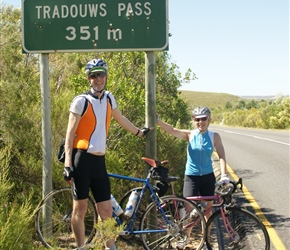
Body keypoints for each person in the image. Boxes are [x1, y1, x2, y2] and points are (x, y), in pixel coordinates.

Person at [63, 58, 149, 250]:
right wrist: (67, 164)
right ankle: (81, 247)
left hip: (99, 162)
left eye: (101, 74)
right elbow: (70, 134)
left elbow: (120, 118)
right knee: (81, 209)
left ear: (106, 76)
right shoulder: (80, 101)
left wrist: (139, 132)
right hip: (82, 160)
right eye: (94, 76)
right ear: (88, 79)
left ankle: (111, 247)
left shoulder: (109, 98)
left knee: (106, 210)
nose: (98, 79)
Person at [156, 106, 229, 249]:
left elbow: (221, 156)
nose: (200, 122)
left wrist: (224, 174)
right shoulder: (190, 134)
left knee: (208, 211)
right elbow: (172, 130)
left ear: (209, 120)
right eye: (197, 119)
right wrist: (158, 121)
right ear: (193, 121)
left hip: (208, 177)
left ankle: (207, 240)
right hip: (191, 177)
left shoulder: (215, 137)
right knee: (188, 211)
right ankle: (186, 237)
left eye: (203, 119)